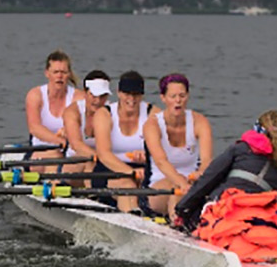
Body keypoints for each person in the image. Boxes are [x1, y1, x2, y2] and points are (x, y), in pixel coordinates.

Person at [170, 109, 277, 263]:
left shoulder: (239, 149)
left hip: (226, 207)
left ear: (256, 129)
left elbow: (207, 181)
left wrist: (182, 210)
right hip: (259, 213)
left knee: (190, 217)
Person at [142, 73, 215, 217]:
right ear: (163, 98)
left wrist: (201, 174)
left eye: (182, 96)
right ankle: (177, 226)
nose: (178, 101)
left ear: (187, 96)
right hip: (158, 187)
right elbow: (161, 162)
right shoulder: (152, 125)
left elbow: (206, 160)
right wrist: (182, 183)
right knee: (177, 190)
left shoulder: (200, 122)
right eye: (173, 96)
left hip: (191, 184)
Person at [89, 70, 151, 213]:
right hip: (108, 170)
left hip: (142, 170)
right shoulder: (104, 114)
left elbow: (162, 151)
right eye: (127, 94)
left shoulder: (152, 114)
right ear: (119, 93)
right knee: (128, 184)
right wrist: (131, 172)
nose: (132, 99)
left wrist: (148, 156)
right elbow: (104, 155)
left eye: (136, 95)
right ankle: (133, 223)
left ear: (141, 95)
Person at [57, 69, 112, 179]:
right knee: (90, 163)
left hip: (102, 164)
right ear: (85, 93)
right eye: (94, 95)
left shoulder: (112, 112)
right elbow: (76, 145)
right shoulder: (72, 112)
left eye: (102, 96)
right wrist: (103, 157)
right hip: (73, 165)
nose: (98, 101)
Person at [23, 50, 75, 162]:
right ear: (47, 73)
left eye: (63, 72)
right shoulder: (35, 95)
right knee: (55, 156)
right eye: (55, 72)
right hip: (39, 150)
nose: (59, 76)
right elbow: (34, 128)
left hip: (69, 151)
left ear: (69, 74)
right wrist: (60, 141)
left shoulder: (78, 97)